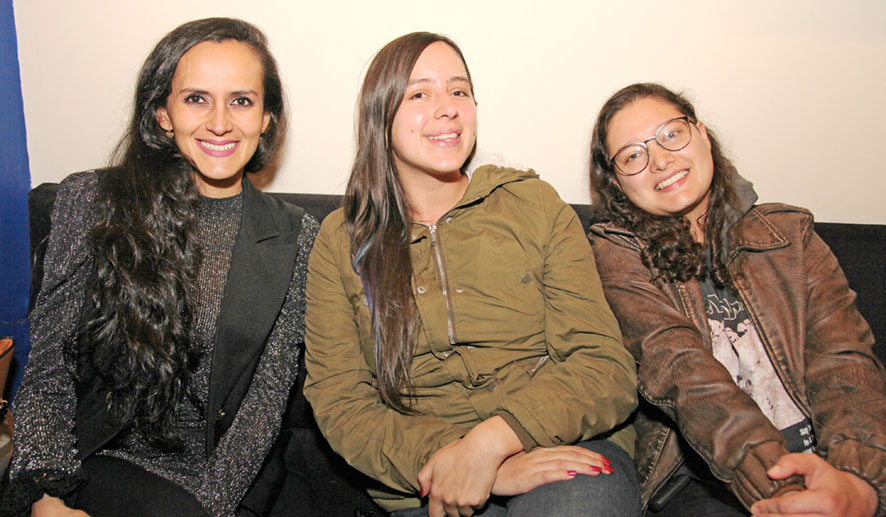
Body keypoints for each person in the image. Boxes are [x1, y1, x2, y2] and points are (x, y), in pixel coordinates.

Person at [303, 32, 640, 517]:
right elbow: (341, 402)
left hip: (559, 448)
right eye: (420, 94)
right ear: (381, 113)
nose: (447, 109)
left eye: (459, 91)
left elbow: (603, 365)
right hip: (423, 478)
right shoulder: (341, 240)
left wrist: (490, 445)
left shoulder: (533, 205)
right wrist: (459, 463)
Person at [3, 18, 318, 517]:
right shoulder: (91, 201)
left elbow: (263, 407)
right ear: (162, 114)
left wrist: (204, 509)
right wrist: (47, 496)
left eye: (241, 100)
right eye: (196, 98)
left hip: (223, 483)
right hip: (96, 463)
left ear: (267, 120)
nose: (220, 121)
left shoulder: (296, 237)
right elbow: (49, 368)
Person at [587, 82, 886, 516]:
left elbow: (842, 360)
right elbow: (682, 372)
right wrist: (779, 487)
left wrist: (857, 480)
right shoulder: (618, 253)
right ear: (616, 182)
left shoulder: (790, 234)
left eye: (671, 134)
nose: (660, 160)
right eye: (633, 155)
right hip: (710, 478)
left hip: (833, 454)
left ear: (702, 134)